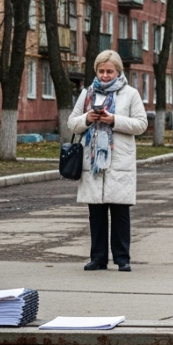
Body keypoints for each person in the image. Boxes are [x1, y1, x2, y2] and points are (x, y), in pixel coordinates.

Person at [67, 50, 148, 272]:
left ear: (118, 71)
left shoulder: (130, 94)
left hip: (118, 161)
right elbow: (72, 123)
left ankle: (123, 258)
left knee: (120, 212)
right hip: (92, 163)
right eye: (101, 71)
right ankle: (98, 258)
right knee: (96, 213)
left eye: (109, 71)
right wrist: (87, 118)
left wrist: (114, 120)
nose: (105, 75)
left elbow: (141, 124)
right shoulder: (87, 94)